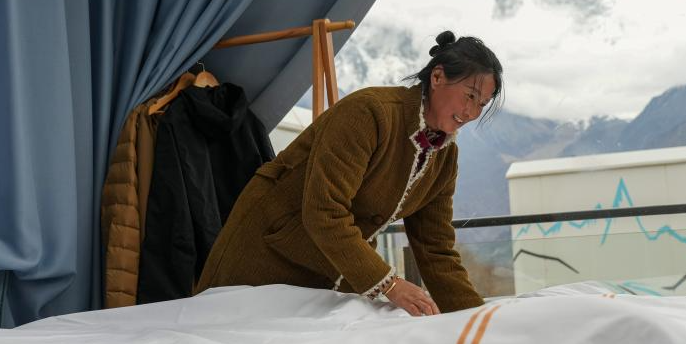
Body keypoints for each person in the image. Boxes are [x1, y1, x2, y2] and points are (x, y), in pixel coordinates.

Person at [194, 30, 504, 315]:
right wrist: (390, 284)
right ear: (437, 77)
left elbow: (435, 248)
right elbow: (324, 211)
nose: (472, 112)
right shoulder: (369, 113)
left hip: (330, 271)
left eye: (482, 104)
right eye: (470, 95)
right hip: (264, 256)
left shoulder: (444, 157)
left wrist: (477, 319)